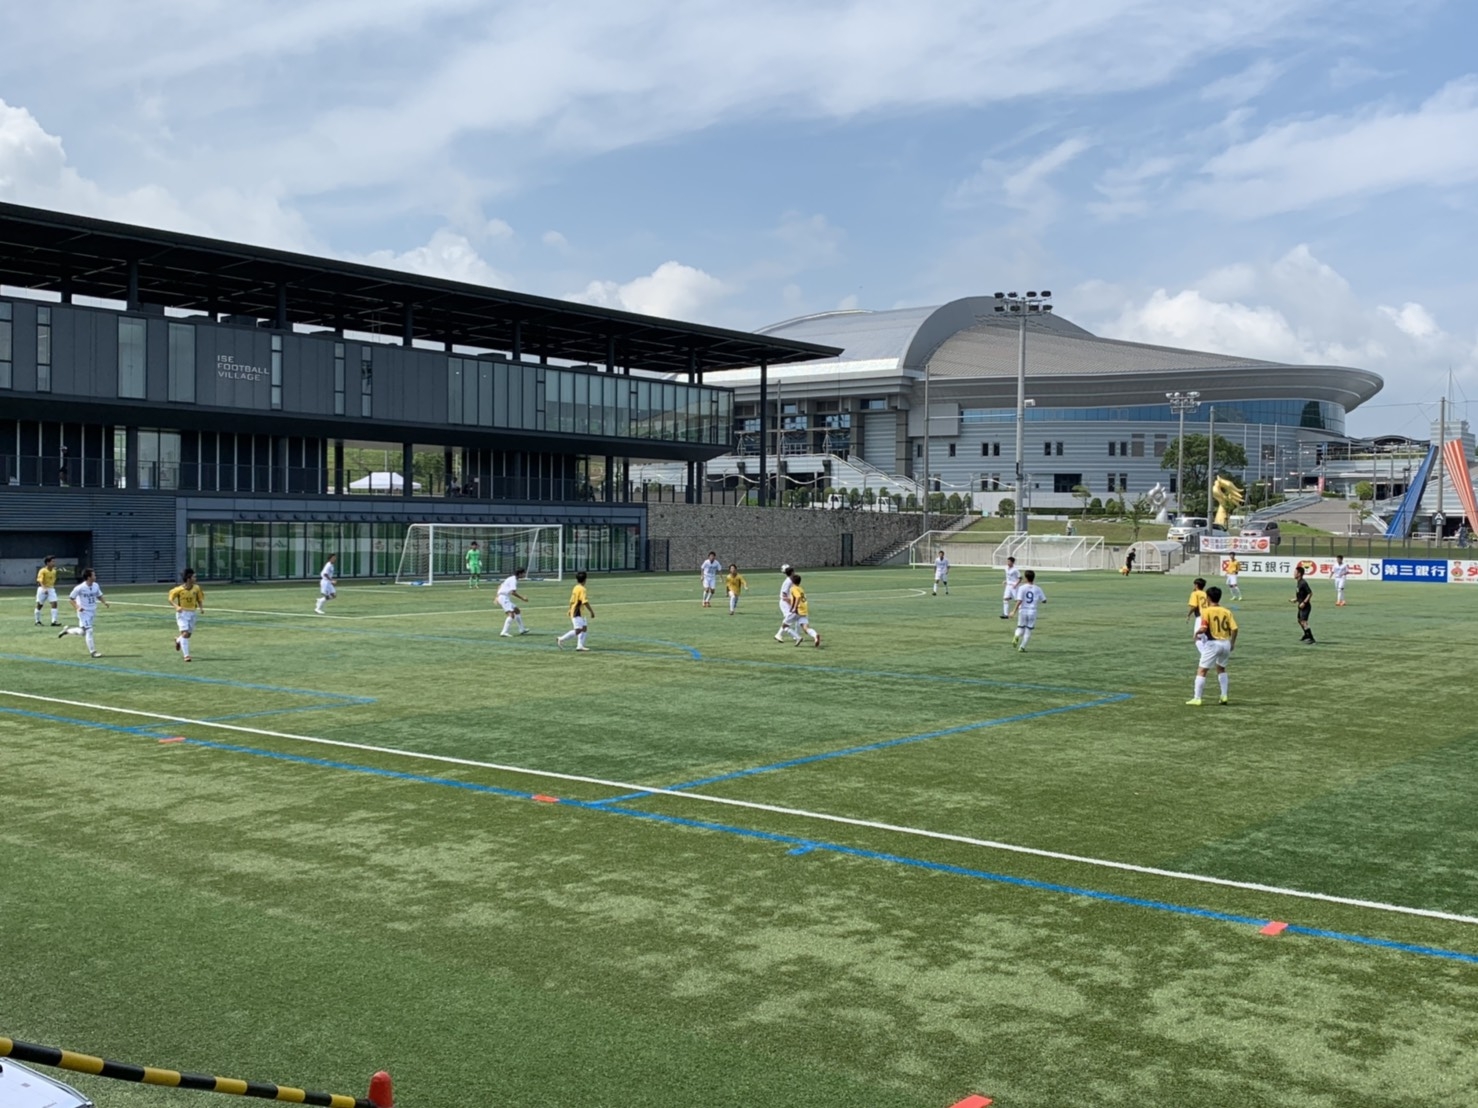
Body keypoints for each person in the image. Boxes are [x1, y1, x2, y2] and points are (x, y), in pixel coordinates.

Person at [1186, 585, 1237, 706]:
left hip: (1213, 644)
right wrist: (1232, 643)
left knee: (1202, 670)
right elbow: (1235, 628)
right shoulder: (1226, 611)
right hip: (1226, 643)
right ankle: (1224, 695)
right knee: (1221, 669)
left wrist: (1196, 634)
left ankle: (1197, 698)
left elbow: (1204, 628)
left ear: (1208, 598)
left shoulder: (1206, 611)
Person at [59, 568, 108, 657]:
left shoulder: (96, 585)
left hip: (92, 611)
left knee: (83, 632)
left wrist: (104, 602)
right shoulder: (79, 588)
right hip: (84, 612)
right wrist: (78, 607)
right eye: (93, 575)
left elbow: (99, 595)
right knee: (89, 630)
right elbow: (71, 599)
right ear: (88, 577)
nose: (95, 576)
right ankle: (93, 652)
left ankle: (67, 631)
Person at [169, 567, 205, 662]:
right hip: (182, 613)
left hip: (192, 613)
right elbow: (170, 599)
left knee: (188, 635)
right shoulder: (178, 590)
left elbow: (199, 599)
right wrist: (176, 607)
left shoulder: (196, 588)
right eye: (194, 577)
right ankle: (186, 656)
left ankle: (178, 640)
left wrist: (201, 608)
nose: (195, 578)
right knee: (185, 634)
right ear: (188, 578)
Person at [556, 570, 593, 651]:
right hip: (577, 612)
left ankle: (580, 646)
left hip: (579, 611)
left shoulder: (575, 587)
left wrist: (570, 609)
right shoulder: (582, 589)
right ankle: (561, 639)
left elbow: (571, 600)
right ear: (585, 579)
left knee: (584, 628)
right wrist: (591, 611)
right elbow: (585, 602)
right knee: (578, 630)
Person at [1011, 569, 1045, 652]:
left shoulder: (1022, 588)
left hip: (1023, 610)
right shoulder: (1038, 588)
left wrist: (1013, 611)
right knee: (1028, 630)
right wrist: (1041, 600)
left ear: (1026, 578)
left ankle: (1016, 635)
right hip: (1032, 611)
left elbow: (1019, 600)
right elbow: (1044, 600)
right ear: (1033, 578)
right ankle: (1022, 647)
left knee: (1020, 627)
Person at [787, 572, 822, 647]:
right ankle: (815, 635)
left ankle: (797, 637)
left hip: (798, 610)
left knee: (784, 625)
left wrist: (794, 608)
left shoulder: (793, 588)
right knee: (806, 628)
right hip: (804, 610)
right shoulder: (800, 588)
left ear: (792, 581)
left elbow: (798, 597)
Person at [497, 567, 530, 636]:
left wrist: (497, 596)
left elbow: (500, 586)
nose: (524, 574)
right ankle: (504, 632)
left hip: (504, 597)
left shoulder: (511, 578)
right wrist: (522, 598)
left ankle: (522, 629)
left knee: (517, 611)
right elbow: (513, 592)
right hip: (504, 598)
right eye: (523, 573)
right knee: (511, 615)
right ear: (520, 574)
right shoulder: (513, 580)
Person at [775, 563, 801, 642]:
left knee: (796, 618)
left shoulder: (791, 580)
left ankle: (795, 635)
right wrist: (791, 603)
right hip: (785, 603)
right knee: (789, 619)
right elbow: (784, 594)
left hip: (788, 602)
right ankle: (780, 634)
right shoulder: (788, 581)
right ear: (792, 572)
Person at [34, 555, 61, 627]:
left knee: (54, 603)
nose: (54, 563)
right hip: (42, 588)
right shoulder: (42, 570)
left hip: (51, 588)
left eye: (54, 561)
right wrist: (44, 588)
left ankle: (54, 621)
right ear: (47, 563)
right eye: (52, 561)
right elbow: (40, 580)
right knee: (39, 605)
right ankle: (37, 621)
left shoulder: (54, 571)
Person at [1292, 564, 1315, 644]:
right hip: (1301, 605)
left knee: (1304, 621)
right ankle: (1306, 634)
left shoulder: (1303, 583)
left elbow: (1310, 593)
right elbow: (1302, 594)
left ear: (1299, 574)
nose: (1294, 574)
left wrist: (1304, 602)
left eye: (1295, 572)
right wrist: (1296, 599)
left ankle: (1311, 638)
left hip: (1305, 606)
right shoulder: (1299, 582)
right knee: (1299, 620)